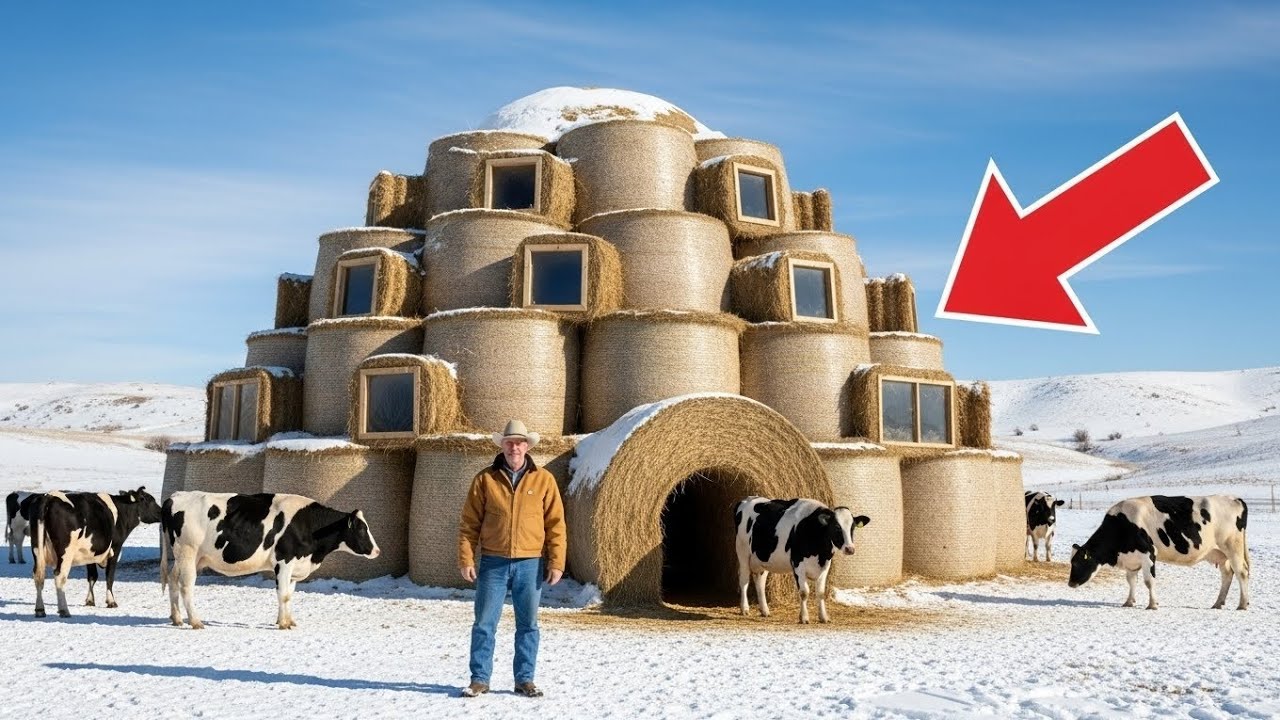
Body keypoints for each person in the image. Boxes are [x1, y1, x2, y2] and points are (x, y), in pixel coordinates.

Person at [458, 419, 566, 699]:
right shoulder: (485, 479)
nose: (514, 447)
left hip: (530, 564)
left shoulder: (544, 479)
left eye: (519, 442)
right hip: (493, 562)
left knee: (528, 624)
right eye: (509, 442)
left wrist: (556, 562)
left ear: (527, 446)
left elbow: (556, 524)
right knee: (484, 623)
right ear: (502, 446)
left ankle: (525, 679)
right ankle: (479, 679)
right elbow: (469, 523)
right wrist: (466, 558)